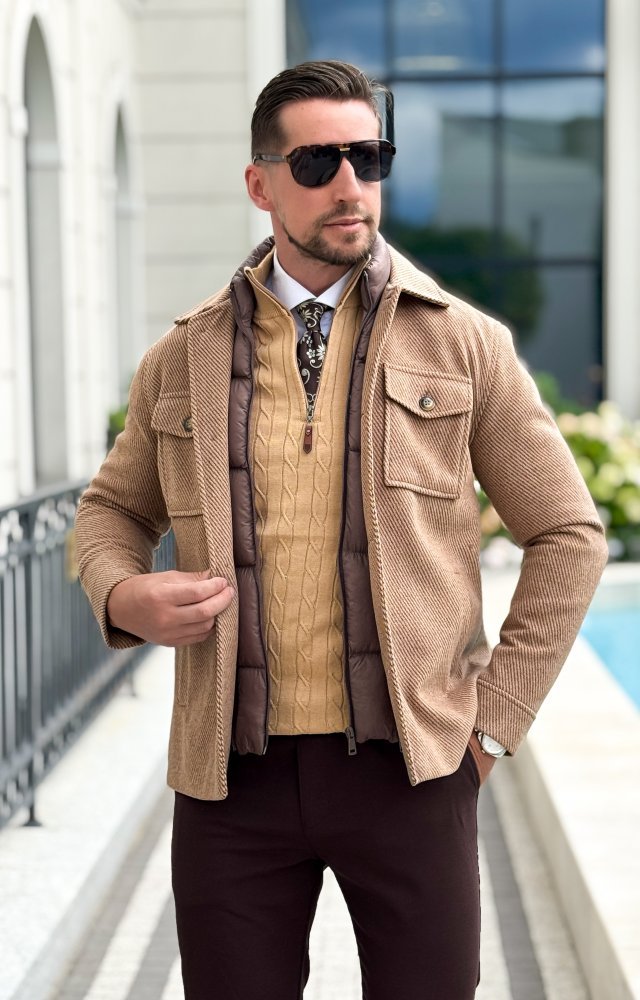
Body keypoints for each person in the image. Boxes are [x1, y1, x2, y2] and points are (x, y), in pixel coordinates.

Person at [75, 60, 608, 1000]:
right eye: (318, 163)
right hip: (229, 781)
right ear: (261, 184)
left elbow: (568, 533)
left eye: (370, 158)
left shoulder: (465, 344)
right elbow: (111, 511)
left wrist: (492, 726)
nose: (350, 185)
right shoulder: (183, 356)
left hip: (413, 774)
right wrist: (121, 593)